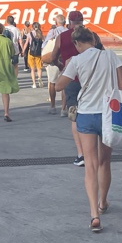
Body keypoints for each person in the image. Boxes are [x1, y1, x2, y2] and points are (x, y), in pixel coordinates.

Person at [55, 27, 122, 233]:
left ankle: (94, 214)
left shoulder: (76, 60)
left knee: (91, 165)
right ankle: (104, 202)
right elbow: (121, 85)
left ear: (77, 44)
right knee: (105, 161)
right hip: (108, 113)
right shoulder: (111, 56)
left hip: (86, 115)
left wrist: (65, 67)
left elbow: (59, 86)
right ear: (93, 40)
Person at [43, 10, 86, 166]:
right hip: (90, 81)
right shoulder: (90, 35)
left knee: (74, 116)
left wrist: (62, 67)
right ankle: (93, 150)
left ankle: (81, 154)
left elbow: (53, 57)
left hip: (71, 80)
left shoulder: (62, 37)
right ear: (82, 21)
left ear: (69, 22)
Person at [43, 14, 68, 116]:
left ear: (56, 23)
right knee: (65, 83)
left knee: (52, 83)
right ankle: (63, 108)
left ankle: (53, 106)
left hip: (53, 59)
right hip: (65, 59)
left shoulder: (52, 31)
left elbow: (44, 45)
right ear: (65, 23)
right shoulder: (68, 32)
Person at [26, 22, 44, 88]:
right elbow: (43, 43)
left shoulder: (29, 34)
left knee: (32, 69)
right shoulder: (40, 34)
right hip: (38, 53)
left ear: (32, 27)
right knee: (39, 68)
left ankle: (34, 83)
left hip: (31, 52)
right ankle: (39, 78)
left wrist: (23, 50)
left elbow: (27, 43)